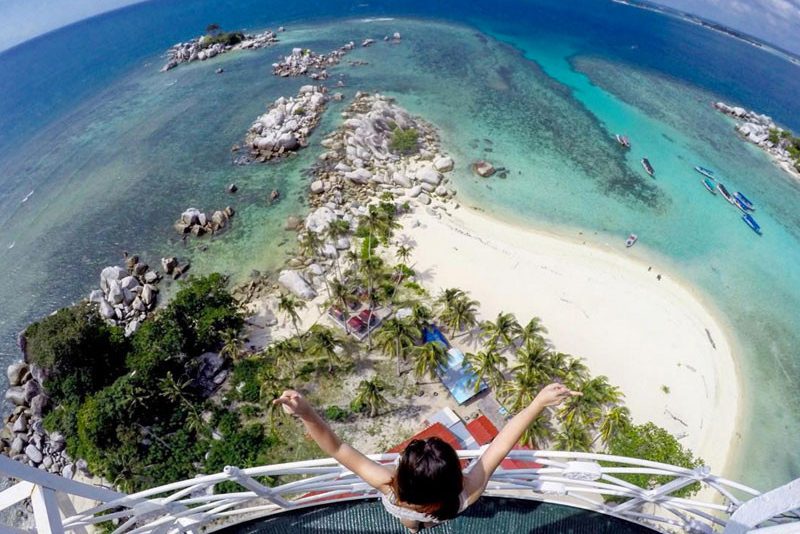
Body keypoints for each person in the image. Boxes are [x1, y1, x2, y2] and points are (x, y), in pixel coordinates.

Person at [273, 383, 580, 532]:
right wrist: (538, 403)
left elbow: (337, 448)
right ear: (455, 475)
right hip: (440, 512)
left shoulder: (387, 485)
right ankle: (424, 527)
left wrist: (306, 413)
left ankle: (412, 530)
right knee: (428, 521)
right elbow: (501, 444)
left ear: (402, 473)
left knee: (411, 522)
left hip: (403, 510)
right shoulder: (467, 494)